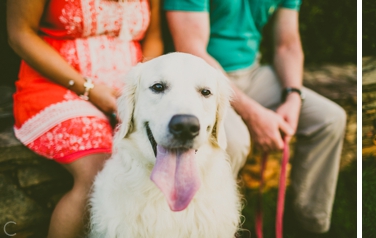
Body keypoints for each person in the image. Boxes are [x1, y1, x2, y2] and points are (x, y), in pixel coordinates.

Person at [164, 0, 347, 233]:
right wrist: (254, 114)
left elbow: (287, 44)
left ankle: (306, 225)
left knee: (330, 120)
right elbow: (192, 51)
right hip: (197, 80)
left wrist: (293, 96)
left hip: (252, 73)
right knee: (233, 142)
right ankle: (202, 228)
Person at [7, 0, 162, 237]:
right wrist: (88, 88)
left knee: (156, 160)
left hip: (129, 92)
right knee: (98, 171)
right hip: (57, 84)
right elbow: (20, 33)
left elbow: (154, 36)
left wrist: (141, 88)